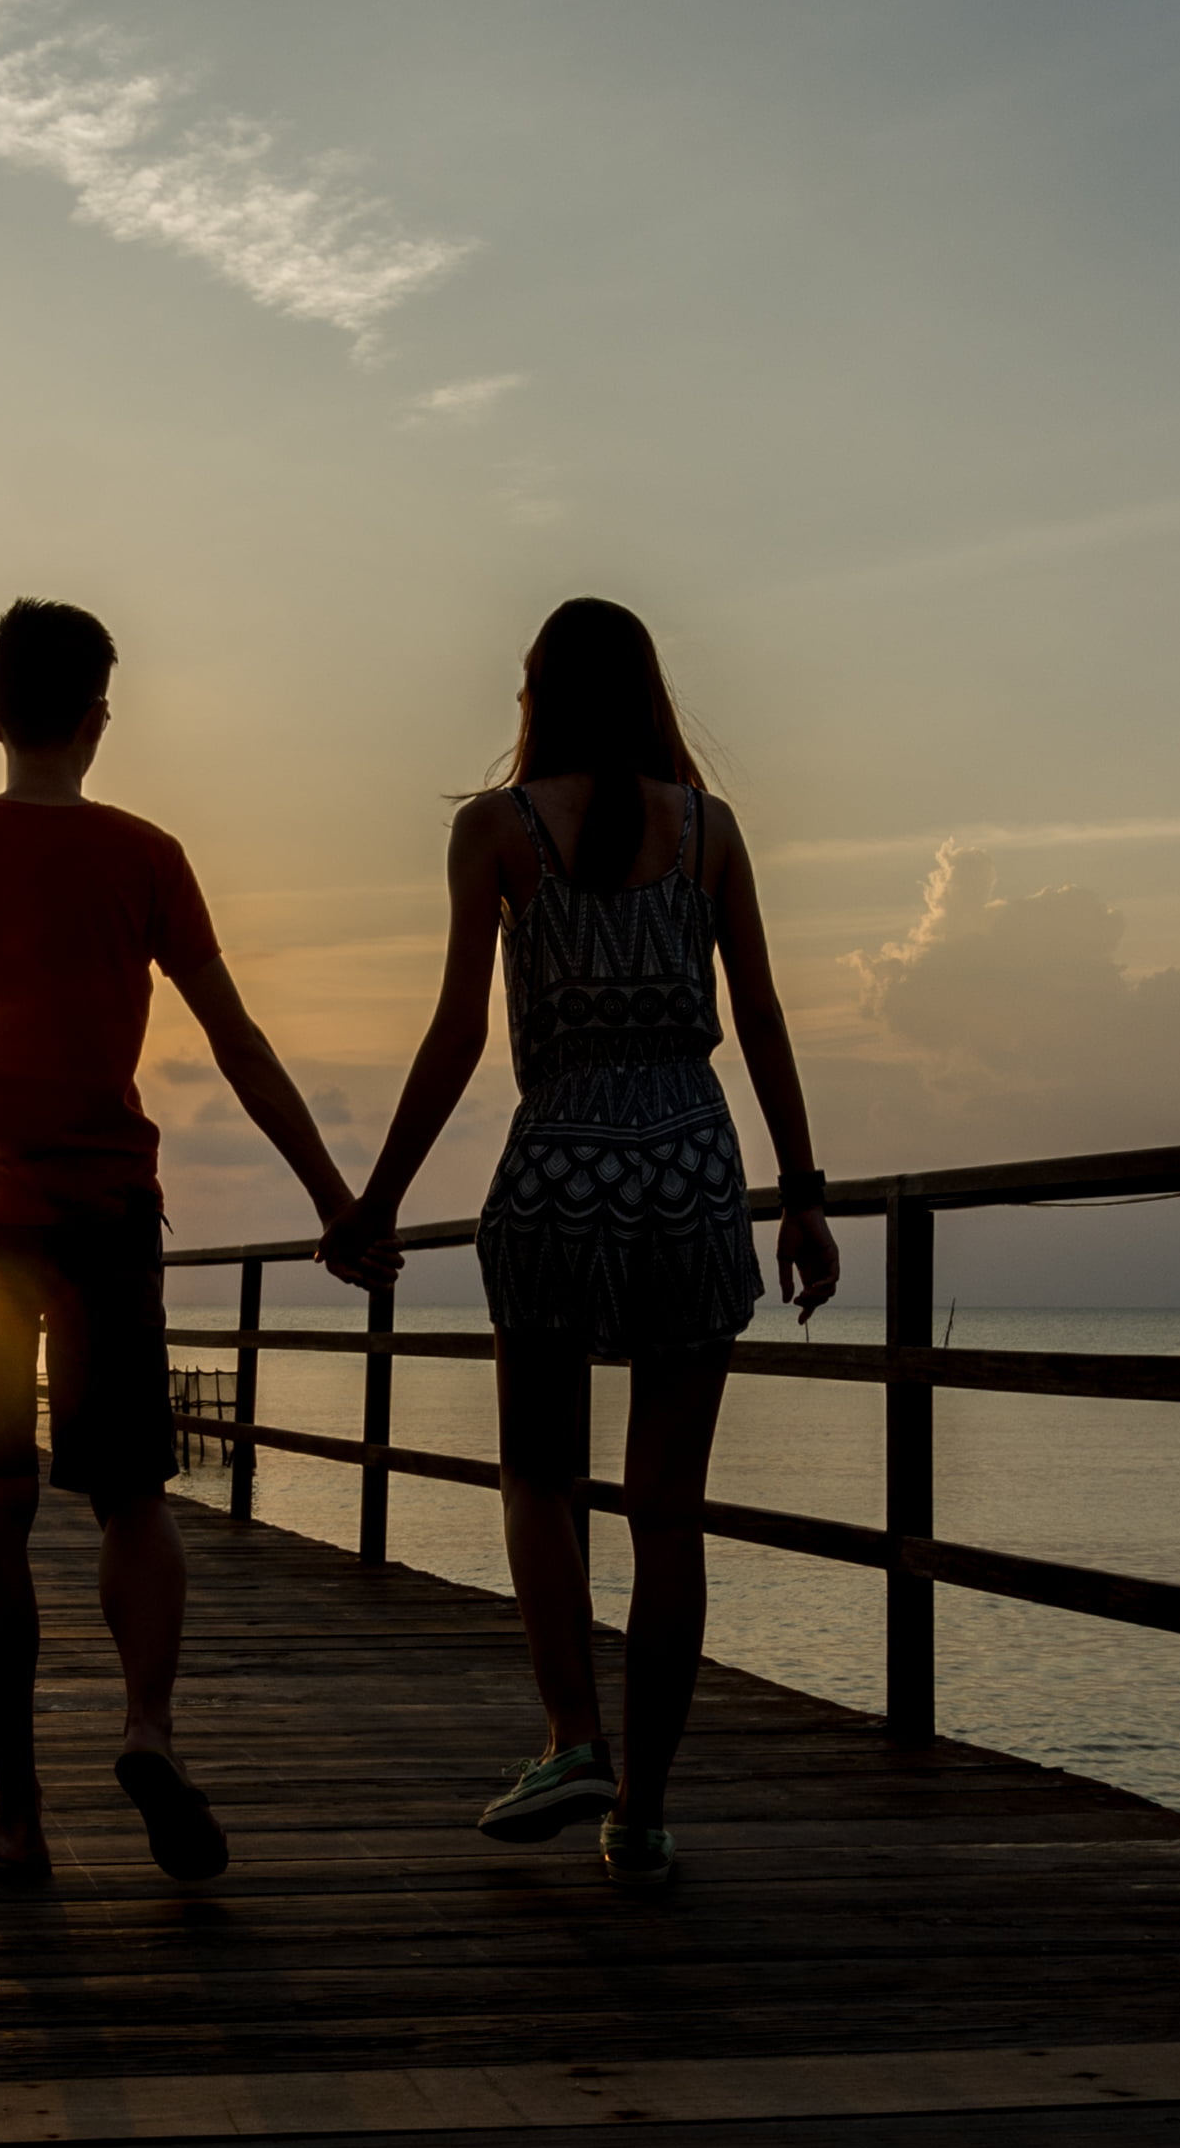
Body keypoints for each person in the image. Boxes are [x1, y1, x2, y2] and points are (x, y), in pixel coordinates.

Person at [0, 598, 372, 1887]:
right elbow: (238, 1040)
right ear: (98, 723)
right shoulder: (147, 855)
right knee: (134, 1497)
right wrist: (333, 1199)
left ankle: (18, 1815)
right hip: (107, 1212)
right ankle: (148, 1729)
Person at [331, 599, 838, 1891]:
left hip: (558, 1172)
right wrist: (803, 1191)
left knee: (537, 1475)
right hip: (692, 1170)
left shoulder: (497, 832)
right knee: (670, 1515)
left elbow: (456, 1033)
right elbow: (764, 1018)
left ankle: (573, 1739)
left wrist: (377, 1200)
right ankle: (648, 1814)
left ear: (537, 694)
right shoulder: (711, 834)